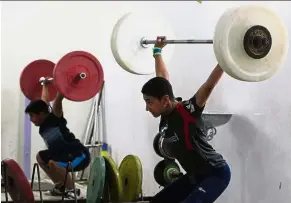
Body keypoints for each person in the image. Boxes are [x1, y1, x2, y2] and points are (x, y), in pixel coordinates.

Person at [142, 36, 231, 203]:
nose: (147, 107)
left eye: (149, 102)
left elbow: (208, 85)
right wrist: (157, 51)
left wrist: (226, 60)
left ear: (165, 100)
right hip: (195, 176)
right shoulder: (164, 112)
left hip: (215, 173)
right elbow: (162, 77)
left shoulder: (188, 111)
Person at [24, 78, 91, 196]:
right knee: (41, 156)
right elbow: (45, 100)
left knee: (53, 162)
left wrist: (65, 82)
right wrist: (45, 84)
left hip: (78, 154)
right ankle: (60, 187)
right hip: (63, 154)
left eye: (32, 116)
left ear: (41, 114)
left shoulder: (55, 118)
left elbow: (58, 99)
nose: (31, 119)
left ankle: (72, 191)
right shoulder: (43, 123)